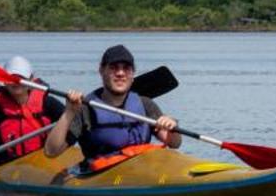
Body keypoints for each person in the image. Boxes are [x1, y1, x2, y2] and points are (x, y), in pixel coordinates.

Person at [44, 44, 178, 172]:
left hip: (141, 167)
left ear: (132, 74)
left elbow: (174, 143)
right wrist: (69, 113)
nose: (120, 73)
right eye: (114, 67)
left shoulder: (145, 104)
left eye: (126, 68)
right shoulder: (85, 109)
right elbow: (51, 152)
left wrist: (172, 127)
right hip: (102, 173)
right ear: (101, 71)